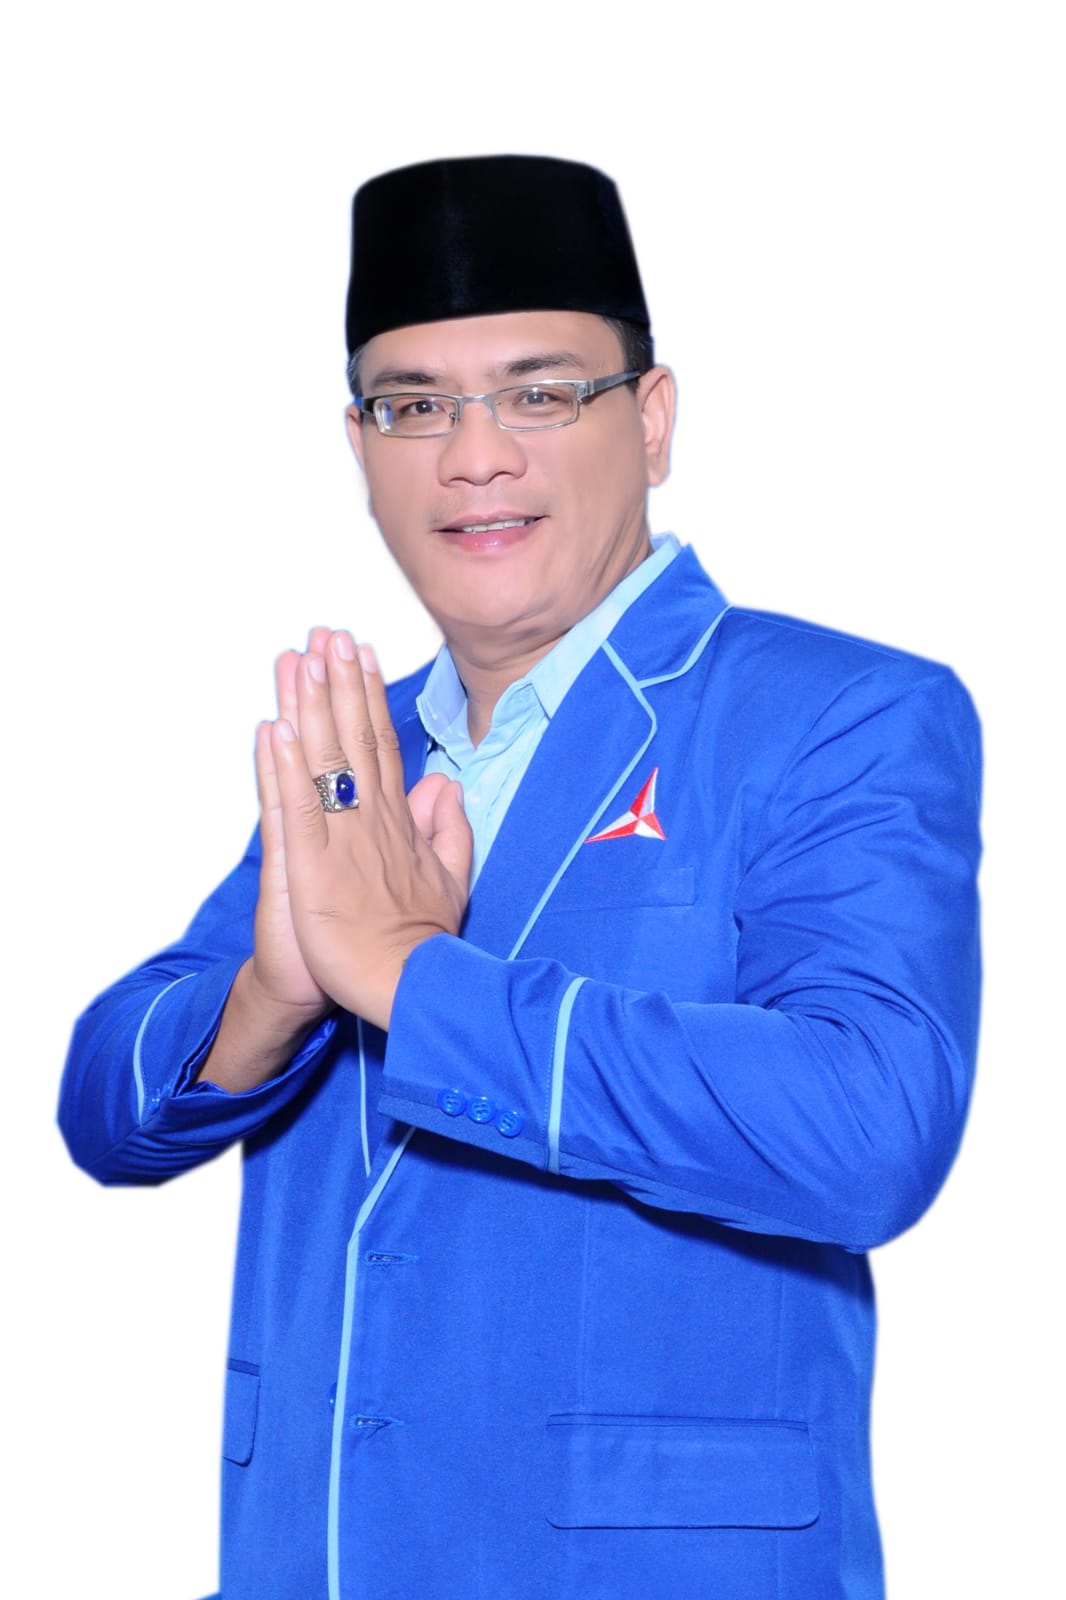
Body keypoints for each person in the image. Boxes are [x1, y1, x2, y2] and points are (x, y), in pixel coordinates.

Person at [59, 154, 982, 1599]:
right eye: (413, 404)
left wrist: (405, 977)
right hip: (309, 1560)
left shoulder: (835, 715)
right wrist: (270, 996)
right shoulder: (359, 747)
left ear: (651, 419)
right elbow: (107, 1110)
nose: (472, 456)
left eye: (538, 393)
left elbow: (870, 1124)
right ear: (359, 443)